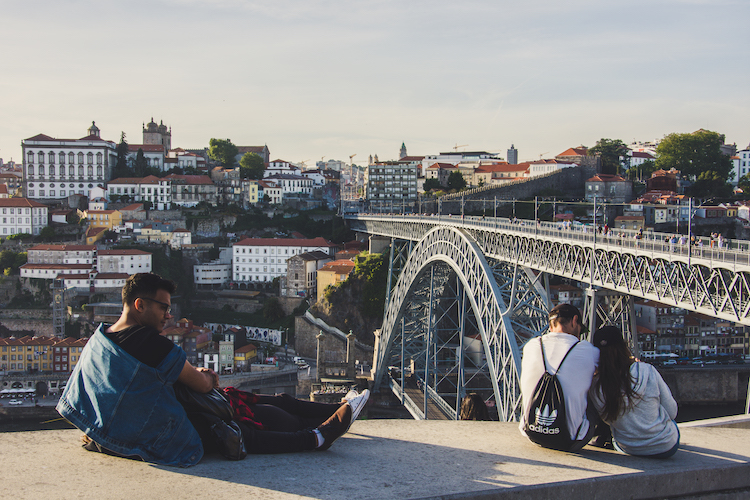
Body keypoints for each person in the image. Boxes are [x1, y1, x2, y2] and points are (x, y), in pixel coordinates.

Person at [58, 273, 368, 467]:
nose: (168, 315)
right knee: (237, 432)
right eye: (164, 308)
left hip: (106, 433)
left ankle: (340, 408)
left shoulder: (100, 339)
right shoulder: (152, 344)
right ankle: (316, 438)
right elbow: (203, 385)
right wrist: (206, 377)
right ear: (140, 305)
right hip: (148, 437)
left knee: (257, 403)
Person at [519, 304, 599, 452]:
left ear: (550, 325)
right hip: (571, 440)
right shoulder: (589, 351)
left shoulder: (530, 346)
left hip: (532, 433)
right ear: (575, 321)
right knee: (597, 386)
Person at [589, 326, 679, 458]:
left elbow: (609, 420)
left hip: (628, 448)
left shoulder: (596, 386)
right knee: (671, 423)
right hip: (664, 448)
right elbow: (672, 412)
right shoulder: (647, 370)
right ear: (624, 346)